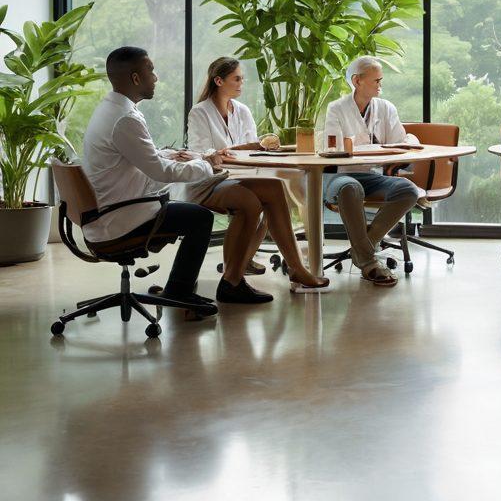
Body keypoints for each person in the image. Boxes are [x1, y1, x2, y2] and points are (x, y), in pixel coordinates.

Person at [82, 47, 219, 316]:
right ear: (135, 78)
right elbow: (159, 172)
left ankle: (179, 289)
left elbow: (138, 156)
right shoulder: (125, 119)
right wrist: (205, 166)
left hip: (104, 211)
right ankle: (179, 292)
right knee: (200, 218)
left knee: (185, 209)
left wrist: (171, 155)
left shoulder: (111, 109)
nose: (155, 77)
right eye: (150, 70)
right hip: (121, 217)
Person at [186, 57, 330, 294]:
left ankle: (295, 268)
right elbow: (202, 153)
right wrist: (243, 148)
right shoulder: (200, 112)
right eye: (237, 79)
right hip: (209, 180)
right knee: (257, 201)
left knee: (273, 188)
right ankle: (239, 274)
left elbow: (253, 149)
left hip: (241, 176)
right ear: (219, 81)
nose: (242, 83)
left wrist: (248, 148)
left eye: (242, 78)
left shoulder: (242, 111)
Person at [322, 56, 422, 287]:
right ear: (357, 81)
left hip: (375, 176)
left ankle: (361, 250)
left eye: (381, 80)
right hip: (341, 175)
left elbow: (399, 143)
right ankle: (368, 262)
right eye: (376, 80)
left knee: (408, 190)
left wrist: (405, 142)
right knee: (350, 187)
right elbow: (336, 149)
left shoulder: (386, 108)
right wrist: (373, 148)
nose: (380, 85)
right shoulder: (336, 109)